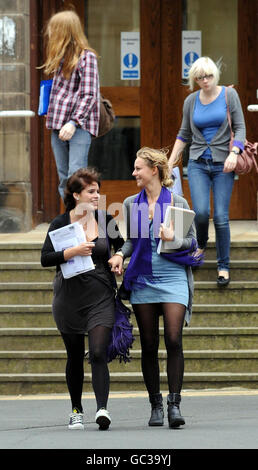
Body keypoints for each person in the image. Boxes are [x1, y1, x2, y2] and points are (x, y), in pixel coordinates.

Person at [108, 147, 202, 429]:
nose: (133, 173)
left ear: (154, 170)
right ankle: (156, 404)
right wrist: (119, 255)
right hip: (143, 280)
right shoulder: (130, 204)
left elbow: (193, 244)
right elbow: (132, 242)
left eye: (138, 168)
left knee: (173, 339)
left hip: (173, 278)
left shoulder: (177, 202)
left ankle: (175, 404)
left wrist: (174, 237)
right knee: (149, 344)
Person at [41, 168, 124, 430]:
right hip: (69, 297)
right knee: (75, 355)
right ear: (77, 195)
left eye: (98, 190)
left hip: (100, 294)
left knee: (99, 352)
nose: (98, 195)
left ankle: (102, 408)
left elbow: (122, 244)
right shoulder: (59, 223)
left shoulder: (105, 218)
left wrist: (118, 256)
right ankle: (76, 409)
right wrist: (71, 251)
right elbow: (45, 258)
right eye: (91, 191)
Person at [168, 56, 246, 287]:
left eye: (209, 76)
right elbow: (184, 133)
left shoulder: (229, 95)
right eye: (200, 77)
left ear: (215, 75)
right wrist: (170, 162)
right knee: (201, 212)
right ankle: (201, 244)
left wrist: (235, 152)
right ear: (195, 79)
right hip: (198, 163)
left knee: (221, 217)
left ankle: (223, 266)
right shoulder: (191, 101)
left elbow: (240, 127)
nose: (205, 81)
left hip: (224, 163)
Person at [40, 10, 100, 199]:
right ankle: (70, 221)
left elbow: (89, 94)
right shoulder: (60, 58)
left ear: (64, 31)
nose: (50, 34)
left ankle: (82, 222)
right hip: (58, 125)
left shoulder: (86, 57)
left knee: (77, 176)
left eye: (54, 30)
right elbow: (60, 93)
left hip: (78, 126)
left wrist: (73, 122)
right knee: (64, 179)